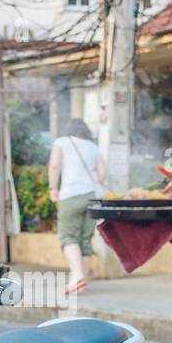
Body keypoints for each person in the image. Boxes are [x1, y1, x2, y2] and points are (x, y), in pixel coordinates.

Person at [49, 117, 106, 294]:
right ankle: (81, 282)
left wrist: (52, 187)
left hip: (70, 195)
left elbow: (54, 165)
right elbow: (103, 175)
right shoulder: (93, 147)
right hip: (91, 196)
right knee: (85, 239)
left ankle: (76, 276)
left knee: (69, 236)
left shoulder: (62, 142)